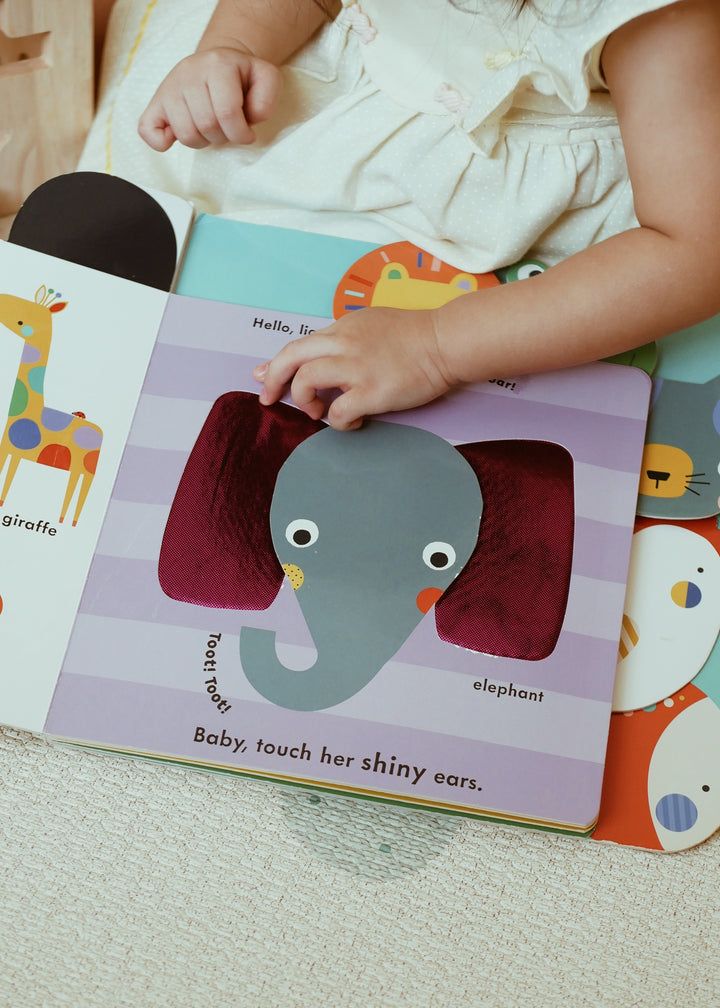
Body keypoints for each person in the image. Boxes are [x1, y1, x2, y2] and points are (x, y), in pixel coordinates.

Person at [138, 0, 720, 430]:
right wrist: (235, 45)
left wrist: (436, 347)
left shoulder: (664, 25)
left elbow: (696, 253)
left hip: (527, 242)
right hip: (351, 108)